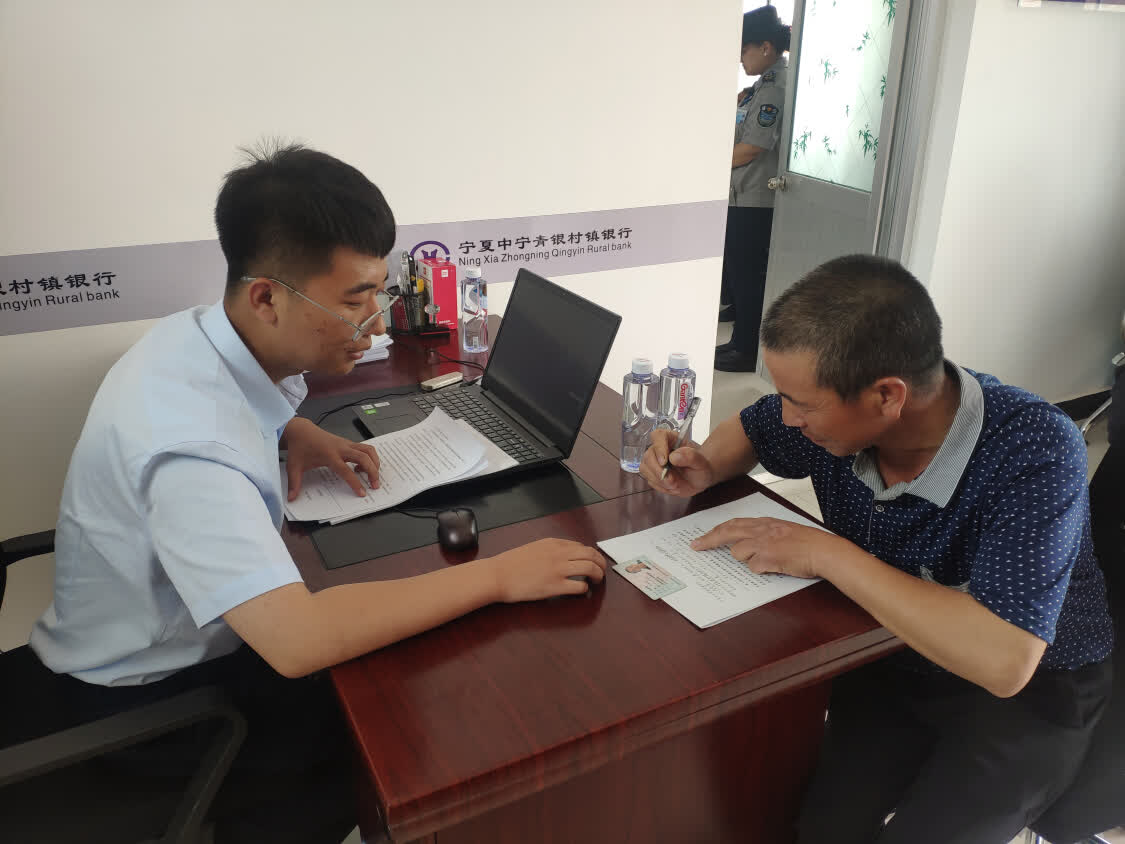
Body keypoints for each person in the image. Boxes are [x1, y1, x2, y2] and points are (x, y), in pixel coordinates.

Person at [28, 143, 607, 843]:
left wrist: (291, 431)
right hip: (148, 712)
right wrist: (500, 576)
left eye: (379, 292)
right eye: (354, 301)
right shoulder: (190, 448)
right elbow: (297, 641)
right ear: (266, 297)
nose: (376, 324)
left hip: (154, 644)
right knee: (409, 741)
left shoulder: (198, 338)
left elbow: (233, 410)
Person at [642, 254, 1114, 843]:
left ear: (888, 396)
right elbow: (754, 428)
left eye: (801, 404)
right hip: (892, 650)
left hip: (1036, 690)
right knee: (810, 822)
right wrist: (707, 465)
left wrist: (826, 553)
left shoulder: (1033, 446)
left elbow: (1004, 661)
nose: (787, 417)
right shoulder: (832, 418)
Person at [716, 6, 790, 373]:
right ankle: (739, 342)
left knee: (748, 278)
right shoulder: (759, 87)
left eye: (743, 50)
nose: (740, 59)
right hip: (741, 194)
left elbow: (752, 147)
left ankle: (746, 351)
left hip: (755, 199)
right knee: (738, 274)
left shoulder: (775, 87)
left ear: (765, 47)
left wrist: (707, 168)